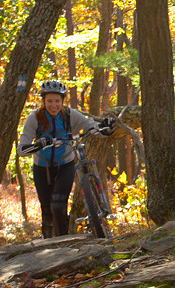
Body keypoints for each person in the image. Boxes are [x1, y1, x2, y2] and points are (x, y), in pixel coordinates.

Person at [17, 80, 115, 238]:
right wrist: (39, 144)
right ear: (43, 101)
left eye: (57, 101)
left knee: (58, 205)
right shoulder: (34, 118)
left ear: (62, 101)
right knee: (47, 211)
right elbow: (21, 150)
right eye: (49, 101)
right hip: (42, 168)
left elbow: (89, 124)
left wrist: (104, 128)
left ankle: (64, 241)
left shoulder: (69, 115)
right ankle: (48, 245)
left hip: (65, 165)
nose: (53, 105)